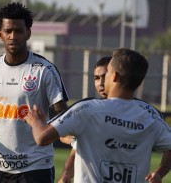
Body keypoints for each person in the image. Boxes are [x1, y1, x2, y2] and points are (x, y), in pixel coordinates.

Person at [0, 2, 68, 183]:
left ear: (28, 33)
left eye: (18, 31)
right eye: (8, 31)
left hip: (36, 166)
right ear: (0, 34)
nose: (13, 36)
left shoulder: (44, 70)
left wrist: (61, 134)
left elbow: (63, 113)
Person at [24, 48, 171, 183]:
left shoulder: (87, 109)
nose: (101, 80)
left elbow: (42, 137)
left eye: (106, 73)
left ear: (114, 76)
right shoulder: (150, 117)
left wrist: (36, 121)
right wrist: (159, 173)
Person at [58, 56, 111, 183]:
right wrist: (65, 175)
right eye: (97, 78)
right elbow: (76, 147)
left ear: (116, 76)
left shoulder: (138, 112)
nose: (101, 83)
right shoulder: (90, 111)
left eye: (105, 76)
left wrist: (159, 173)